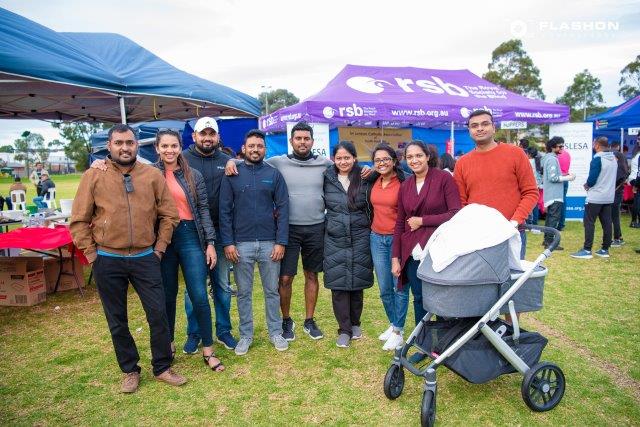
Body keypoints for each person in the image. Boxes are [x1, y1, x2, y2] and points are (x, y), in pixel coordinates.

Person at [70, 124, 184, 393]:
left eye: (130, 143)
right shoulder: (93, 175)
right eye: (119, 143)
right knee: (117, 318)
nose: (125, 147)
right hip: (107, 258)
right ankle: (130, 369)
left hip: (146, 256)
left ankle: (163, 367)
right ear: (109, 146)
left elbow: (169, 215)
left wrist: (159, 248)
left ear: (137, 145)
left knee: (158, 314)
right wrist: (92, 254)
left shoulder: (152, 175)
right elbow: (78, 220)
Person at [153, 129, 225, 372]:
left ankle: (208, 349)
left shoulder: (192, 175)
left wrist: (210, 243)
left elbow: (203, 209)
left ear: (179, 146)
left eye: (173, 146)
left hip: (190, 234)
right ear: (157, 149)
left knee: (199, 294)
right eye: (165, 146)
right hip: (163, 237)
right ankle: (169, 345)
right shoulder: (149, 174)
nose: (169, 150)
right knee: (167, 296)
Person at [219, 130, 290, 355]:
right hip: (241, 244)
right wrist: (228, 243)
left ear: (265, 149)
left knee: (272, 291)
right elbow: (224, 211)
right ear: (244, 148)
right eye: (251, 146)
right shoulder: (232, 174)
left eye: (259, 146)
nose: (256, 150)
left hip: (270, 243)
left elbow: (284, 209)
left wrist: (281, 242)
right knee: (243, 293)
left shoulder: (274, 174)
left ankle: (275, 332)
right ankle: (246, 335)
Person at [391, 140, 461, 360]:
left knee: (441, 299)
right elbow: (400, 224)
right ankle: (423, 345)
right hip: (412, 252)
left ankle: (444, 345)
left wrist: (424, 220)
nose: (414, 160)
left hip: (437, 250)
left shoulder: (443, 179)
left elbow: (455, 213)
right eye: (409, 157)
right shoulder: (406, 185)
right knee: (419, 298)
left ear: (428, 156)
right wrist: (395, 257)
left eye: (418, 155)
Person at [182, 117, 238, 352]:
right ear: (194, 136)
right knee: (194, 288)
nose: (207, 138)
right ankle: (195, 333)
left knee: (223, 286)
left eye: (211, 134)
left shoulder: (227, 161)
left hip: (223, 233)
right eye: (202, 134)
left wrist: (234, 160)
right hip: (193, 234)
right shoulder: (181, 159)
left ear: (217, 137)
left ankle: (223, 330)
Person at [454, 110, 539, 260]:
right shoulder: (462, 163)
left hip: (511, 233)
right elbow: (461, 202)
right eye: (474, 126)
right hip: (478, 237)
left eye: (485, 124)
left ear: (494, 128)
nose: (479, 128)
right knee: (480, 281)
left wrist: (514, 221)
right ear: (469, 131)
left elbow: (531, 192)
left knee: (512, 281)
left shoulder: (516, 154)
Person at [323, 142, 373, 348]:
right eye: (339, 158)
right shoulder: (327, 177)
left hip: (360, 234)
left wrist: (374, 170)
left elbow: (395, 175)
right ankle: (344, 329)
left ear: (354, 158)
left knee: (357, 281)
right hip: (334, 236)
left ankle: (355, 323)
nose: (343, 162)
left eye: (347, 158)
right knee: (338, 285)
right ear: (334, 159)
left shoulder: (365, 177)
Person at [367, 144, 409, 351]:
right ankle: (394, 324)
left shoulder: (404, 182)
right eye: (377, 160)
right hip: (376, 238)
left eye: (385, 159)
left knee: (399, 286)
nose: (382, 163)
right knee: (384, 288)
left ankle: (398, 331)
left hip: (397, 239)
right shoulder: (373, 180)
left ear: (394, 161)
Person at [571, 137, 617, 259]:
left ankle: (586, 250)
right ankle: (605, 249)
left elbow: (592, 179)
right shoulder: (613, 158)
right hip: (608, 196)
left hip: (595, 196)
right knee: (607, 223)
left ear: (597, 145)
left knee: (589, 222)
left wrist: (587, 185)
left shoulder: (597, 159)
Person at [541, 137, 575, 250]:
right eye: (560, 146)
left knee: (550, 218)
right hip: (554, 194)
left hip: (552, 193)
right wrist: (568, 178)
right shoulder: (552, 159)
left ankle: (547, 240)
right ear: (553, 147)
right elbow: (553, 178)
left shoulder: (550, 158)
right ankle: (550, 242)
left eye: (563, 146)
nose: (562, 148)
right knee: (553, 219)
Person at [610, 141, 629, 247]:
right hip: (618, 190)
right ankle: (618, 237)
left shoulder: (613, 156)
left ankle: (617, 238)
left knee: (613, 216)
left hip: (614, 191)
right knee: (615, 216)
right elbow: (625, 175)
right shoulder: (621, 157)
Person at [557, 146, 572, 231]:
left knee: (557, 202)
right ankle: (561, 224)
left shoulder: (557, 155)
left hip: (559, 179)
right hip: (566, 178)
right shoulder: (567, 154)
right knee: (563, 200)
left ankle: (558, 224)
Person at [629, 141, 640, 228]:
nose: (637, 141)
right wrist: (636, 185)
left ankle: (634, 221)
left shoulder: (636, 153)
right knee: (637, 200)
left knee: (637, 200)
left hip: (635, 178)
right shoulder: (637, 154)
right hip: (636, 179)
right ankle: (634, 221)